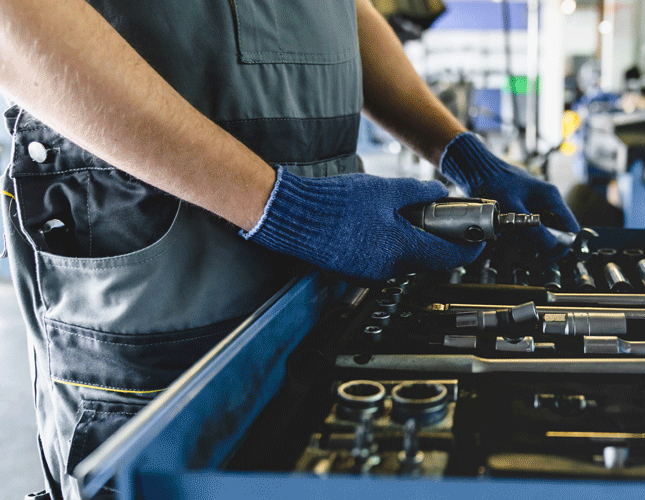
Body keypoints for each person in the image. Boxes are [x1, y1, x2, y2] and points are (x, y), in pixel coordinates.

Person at [0, 0, 579, 498]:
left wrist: (459, 151)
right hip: (167, 278)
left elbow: (340, 12)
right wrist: (285, 208)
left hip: (324, 277)